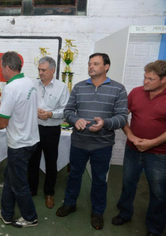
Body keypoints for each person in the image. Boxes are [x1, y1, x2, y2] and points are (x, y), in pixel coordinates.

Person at [56, 53, 128, 230]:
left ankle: (97, 212)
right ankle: (70, 203)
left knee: (99, 180)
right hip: (79, 143)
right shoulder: (79, 87)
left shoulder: (118, 89)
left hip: (102, 145)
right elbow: (68, 111)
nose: (91, 67)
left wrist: (105, 123)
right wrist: (75, 120)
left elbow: (122, 118)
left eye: (95, 64)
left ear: (107, 66)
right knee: (74, 176)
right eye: (89, 64)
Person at [0, 51, 39, 228]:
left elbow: (2, 123)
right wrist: (2, 105)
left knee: (19, 184)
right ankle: (6, 213)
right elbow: (21, 106)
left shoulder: (11, 87)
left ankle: (31, 217)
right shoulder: (29, 82)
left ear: (7, 67)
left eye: (2, 67)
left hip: (19, 143)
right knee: (10, 177)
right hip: (30, 139)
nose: (2, 71)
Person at [112, 60, 166, 236]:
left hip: (159, 154)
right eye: (145, 77)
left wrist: (153, 143)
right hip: (133, 149)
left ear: (164, 80)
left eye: (151, 79)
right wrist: (130, 136)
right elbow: (122, 116)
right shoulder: (135, 93)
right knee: (128, 183)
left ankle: (155, 227)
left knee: (158, 192)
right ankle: (125, 213)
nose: (145, 82)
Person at [27, 56, 69, 209]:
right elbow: (25, 102)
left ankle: (49, 192)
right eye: (39, 69)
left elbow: (66, 110)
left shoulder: (61, 87)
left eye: (43, 70)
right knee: (33, 160)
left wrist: (50, 114)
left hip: (51, 129)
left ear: (53, 70)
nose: (40, 73)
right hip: (34, 127)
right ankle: (31, 189)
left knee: (51, 162)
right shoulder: (32, 84)